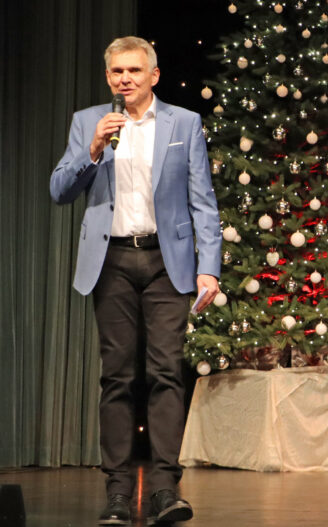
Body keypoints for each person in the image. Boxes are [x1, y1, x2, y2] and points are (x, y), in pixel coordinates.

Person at [49, 36, 221, 525]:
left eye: (134, 70)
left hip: (168, 261)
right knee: (118, 376)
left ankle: (165, 489)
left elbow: (203, 200)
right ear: (108, 77)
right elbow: (60, 190)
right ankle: (119, 493)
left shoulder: (183, 122)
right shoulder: (88, 121)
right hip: (113, 260)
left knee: (166, 373)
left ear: (153, 75)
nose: (125, 79)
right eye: (117, 72)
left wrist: (209, 266)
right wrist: (93, 149)